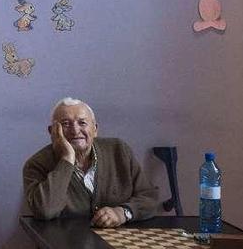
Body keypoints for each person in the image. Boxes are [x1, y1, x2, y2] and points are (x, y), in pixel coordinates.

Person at [22, 97, 159, 227]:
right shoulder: (36, 164)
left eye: (82, 123)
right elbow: (44, 210)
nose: (75, 130)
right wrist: (67, 159)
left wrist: (122, 213)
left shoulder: (119, 150)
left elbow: (149, 197)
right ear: (52, 132)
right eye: (65, 124)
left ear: (95, 129)